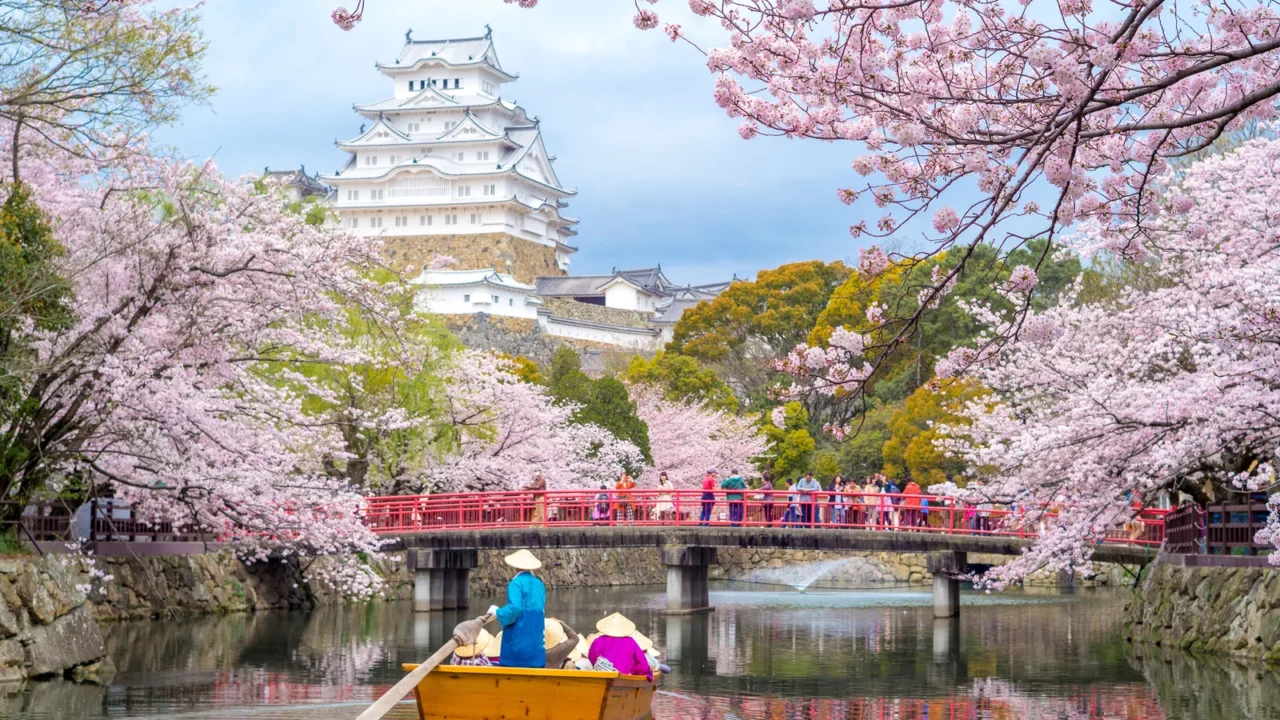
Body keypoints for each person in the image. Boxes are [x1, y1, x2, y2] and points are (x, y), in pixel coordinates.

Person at [486, 549, 547, 669]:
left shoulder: (516, 583)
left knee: (514, 664)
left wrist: (497, 612)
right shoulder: (539, 584)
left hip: (519, 636)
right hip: (536, 639)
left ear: (516, 567)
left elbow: (515, 609)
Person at [588, 613, 653, 682]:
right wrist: (637, 673)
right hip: (625, 677)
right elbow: (642, 663)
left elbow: (592, 659)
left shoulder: (598, 640)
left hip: (603, 675)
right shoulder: (630, 641)